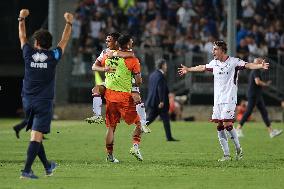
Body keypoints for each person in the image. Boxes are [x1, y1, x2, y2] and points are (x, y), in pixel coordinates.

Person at [178, 40, 269, 161]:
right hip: (218, 100)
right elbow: (202, 67)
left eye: (215, 49)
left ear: (222, 50)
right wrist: (188, 69)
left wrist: (259, 66)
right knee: (220, 125)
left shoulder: (234, 62)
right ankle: (226, 154)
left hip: (229, 98)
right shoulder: (214, 63)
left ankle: (238, 149)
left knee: (227, 124)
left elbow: (248, 65)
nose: (213, 51)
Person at [18, 9, 73, 178]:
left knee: (36, 133)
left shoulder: (28, 52)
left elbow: (22, 36)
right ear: (49, 44)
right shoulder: (53, 55)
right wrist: (69, 23)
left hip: (27, 100)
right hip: (43, 102)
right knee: (35, 136)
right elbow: (64, 40)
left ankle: (48, 167)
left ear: (36, 43)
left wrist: (22, 18)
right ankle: (27, 170)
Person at [85, 32, 151, 133]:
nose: (106, 42)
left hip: (125, 83)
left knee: (136, 98)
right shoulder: (105, 52)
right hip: (110, 82)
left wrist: (115, 53)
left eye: (109, 41)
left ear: (116, 42)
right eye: (106, 41)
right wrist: (105, 69)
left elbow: (131, 54)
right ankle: (97, 116)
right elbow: (94, 66)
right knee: (96, 89)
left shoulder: (123, 51)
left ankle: (143, 123)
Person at [101, 34, 144, 162]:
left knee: (110, 127)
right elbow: (139, 81)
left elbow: (100, 65)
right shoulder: (133, 60)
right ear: (128, 44)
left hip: (109, 96)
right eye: (131, 41)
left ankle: (110, 156)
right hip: (124, 97)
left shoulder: (108, 56)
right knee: (140, 123)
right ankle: (135, 146)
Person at [236, 59, 283, 138]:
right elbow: (257, 82)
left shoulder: (255, 71)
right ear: (257, 63)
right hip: (254, 95)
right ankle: (238, 129)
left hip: (257, 95)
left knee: (264, 112)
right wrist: (265, 84)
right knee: (248, 112)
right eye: (261, 61)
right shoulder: (256, 70)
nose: (262, 62)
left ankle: (271, 131)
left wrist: (265, 84)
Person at [145, 59, 178, 141]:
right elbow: (160, 89)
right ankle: (169, 137)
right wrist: (161, 101)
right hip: (159, 102)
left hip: (152, 101)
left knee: (151, 118)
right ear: (162, 66)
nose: (166, 67)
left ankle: (138, 129)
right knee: (165, 119)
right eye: (165, 65)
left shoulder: (152, 75)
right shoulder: (160, 76)